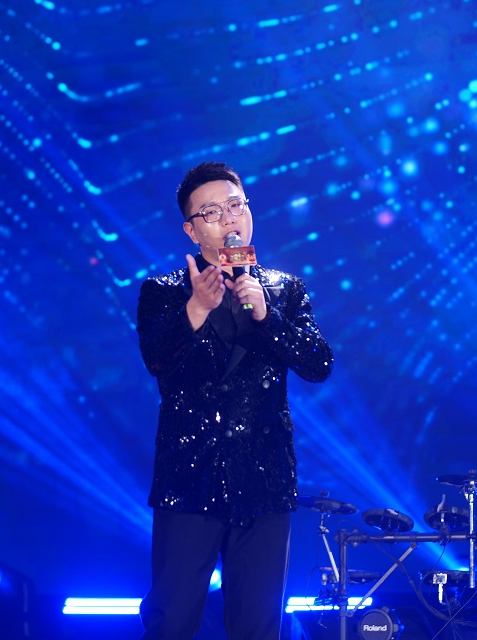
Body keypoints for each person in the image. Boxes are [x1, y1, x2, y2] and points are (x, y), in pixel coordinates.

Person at [136, 161, 334, 639]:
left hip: (263, 478)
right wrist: (195, 310)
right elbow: (158, 363)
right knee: (171, 619)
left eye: (235, 205)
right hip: (189, 477)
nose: (228, 218)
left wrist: (267, 316)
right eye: (211, 212)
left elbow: (318, 364)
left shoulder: (283, 289)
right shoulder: (163, 292)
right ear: (191, 230)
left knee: (258, 625)